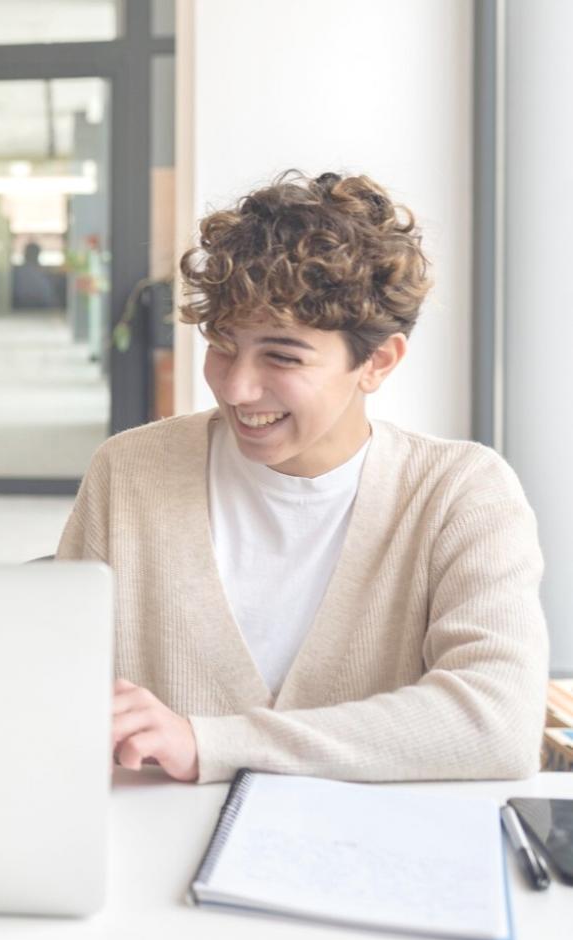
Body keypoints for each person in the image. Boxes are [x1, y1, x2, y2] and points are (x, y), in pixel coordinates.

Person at [57, 171, 548, 784]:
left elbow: (498, 723)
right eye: (223, 344)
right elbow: (59, 686)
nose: (235, 388)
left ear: (378, 362)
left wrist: (209, 742)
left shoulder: (460, 492)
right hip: (149, 856)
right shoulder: (130, 471)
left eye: (282, 355)